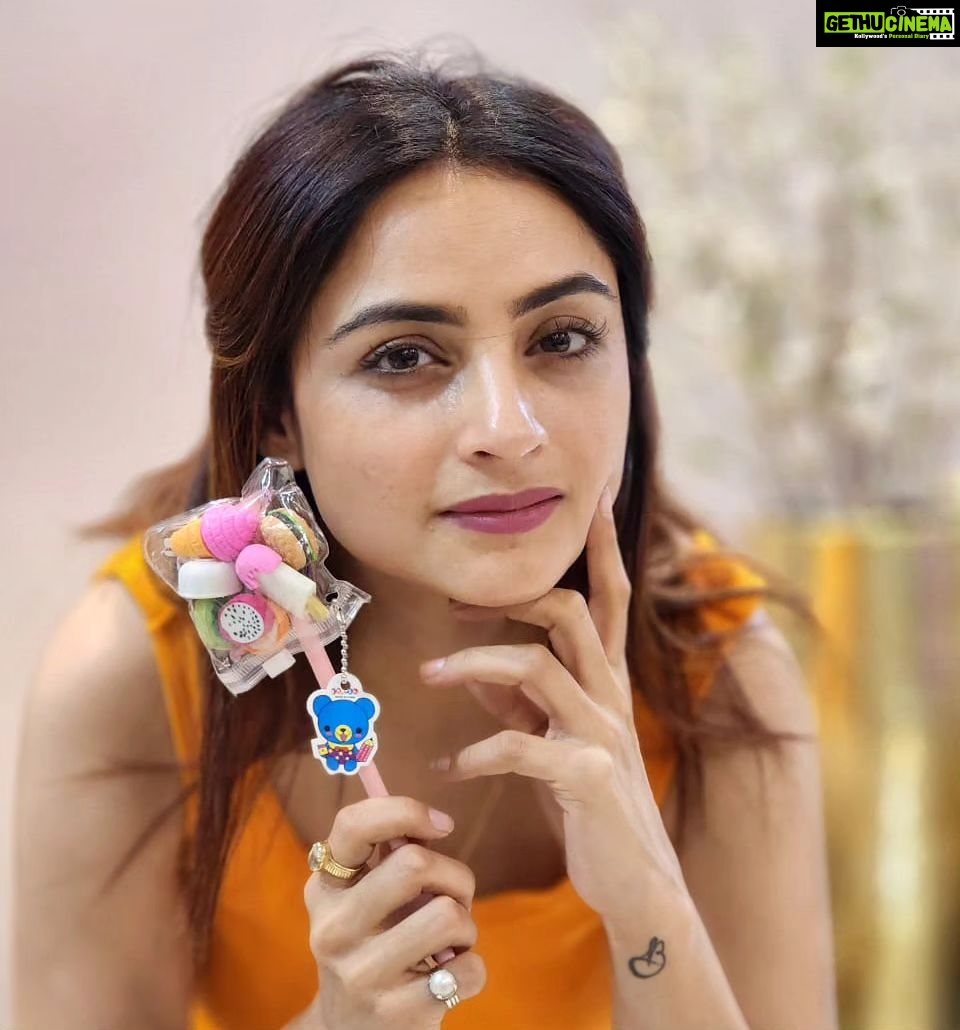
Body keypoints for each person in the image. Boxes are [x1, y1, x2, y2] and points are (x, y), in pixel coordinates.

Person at [14, 48, 839, 1030]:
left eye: (562, 338)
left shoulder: (717, 666)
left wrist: (648, 909)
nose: (508, 429)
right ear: (276, 410)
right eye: (405, 355)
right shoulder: (133, 679)